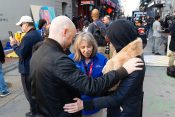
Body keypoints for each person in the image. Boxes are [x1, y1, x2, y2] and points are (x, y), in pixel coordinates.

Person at [30, 16, 144, 117]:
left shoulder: (38, 53)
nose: (71, 42)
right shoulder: (60, 60)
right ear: (65, 31)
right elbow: (91, 86)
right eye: (72, 37)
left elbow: (33, 93)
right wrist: (122, 71)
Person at [64, 19, 146, 117]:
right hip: (113, 108)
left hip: (124, 111)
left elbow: (118, 96)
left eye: (112, 40)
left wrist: (86, 104)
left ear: (120, 39)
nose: (110, 44)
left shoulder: (135, 63)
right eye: (83, 47)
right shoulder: (121, 57)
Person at [9, 15, 43, 117]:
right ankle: (37, 111)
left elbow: (21, 54)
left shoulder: (27, 37)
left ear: (26, 24)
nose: (20, 27)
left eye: (21, 25)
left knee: (29, 93)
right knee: (35, 92)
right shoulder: (37, 33)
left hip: (27, 69)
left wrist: (14, 45)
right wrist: (21, 45)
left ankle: (35, 113)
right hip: (35, 66)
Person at [69, 32, 107, 117]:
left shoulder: (102, 59)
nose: (86, 50)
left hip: (96, 105)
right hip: (78, 106)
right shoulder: (70, 59)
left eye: (89, 46)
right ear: (78, 47)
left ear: (93, 46)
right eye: (83, 47)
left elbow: (107, 81)